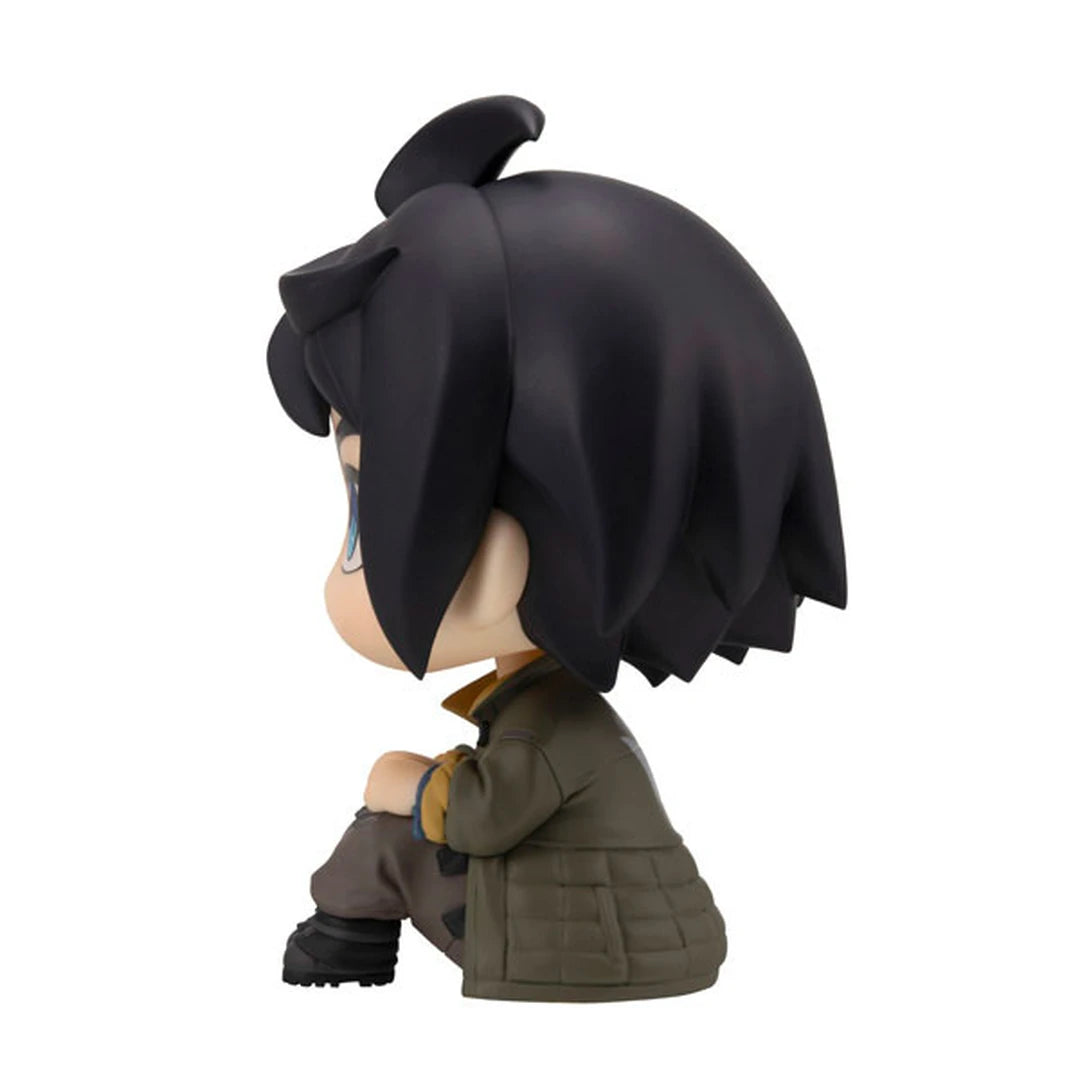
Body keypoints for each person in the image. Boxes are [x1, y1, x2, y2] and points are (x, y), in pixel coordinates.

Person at [266, 96, 846, 1002]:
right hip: (617, 934)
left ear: (501, 557)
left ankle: (340, 943)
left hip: (573, 955)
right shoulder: (552, 712)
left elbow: (485, 820)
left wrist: (409, 783)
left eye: (365, 512)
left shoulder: (552, 722)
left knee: (382, 836)